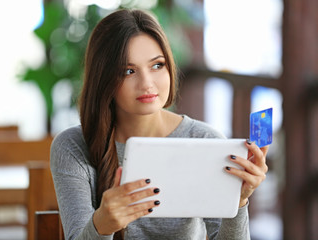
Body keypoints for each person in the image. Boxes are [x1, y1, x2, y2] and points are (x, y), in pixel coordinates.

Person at [50, 9, 269, 240]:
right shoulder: (72, 147)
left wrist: (239, 200)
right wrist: (102, 225)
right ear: (104, 78)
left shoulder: (205, 141)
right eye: (128, 71)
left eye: (157, 65)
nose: (147, 83)